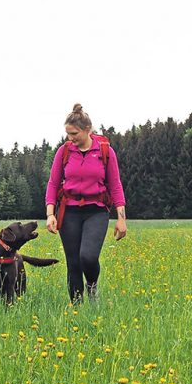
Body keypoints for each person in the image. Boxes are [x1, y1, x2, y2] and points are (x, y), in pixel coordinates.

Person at [45, 103, 127, 301]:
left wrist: (121, 218)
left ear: (87, 129)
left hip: (96, 211)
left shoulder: (105, 151)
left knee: (88, 257)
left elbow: (115, 185)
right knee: (73, 263)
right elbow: (53, 183)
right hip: (69, 211)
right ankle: (77, 309)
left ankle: (92, 287)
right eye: (67, 133)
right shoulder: (64, 151)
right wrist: (50, 214)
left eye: (74, 133)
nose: (70, 138)